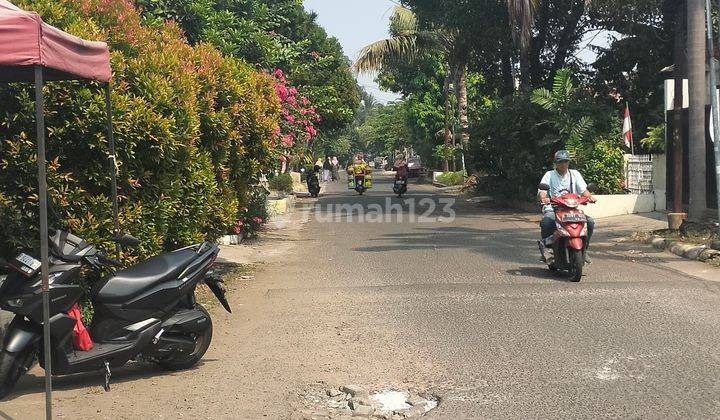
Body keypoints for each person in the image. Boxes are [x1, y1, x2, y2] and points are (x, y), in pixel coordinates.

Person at [538, 150, 597, 260]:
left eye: (566, 161)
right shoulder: (549, 175)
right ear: (556, 163)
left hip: (572, 210)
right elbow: (542, 191)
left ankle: (584, 250)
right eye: (561, 162)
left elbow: (584, 190)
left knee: (590, 222)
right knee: (547, 221)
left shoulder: (575, 174)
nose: (564, 164)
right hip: (553, 208)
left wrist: (590, 197)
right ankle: (547, 249)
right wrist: (544, 198)